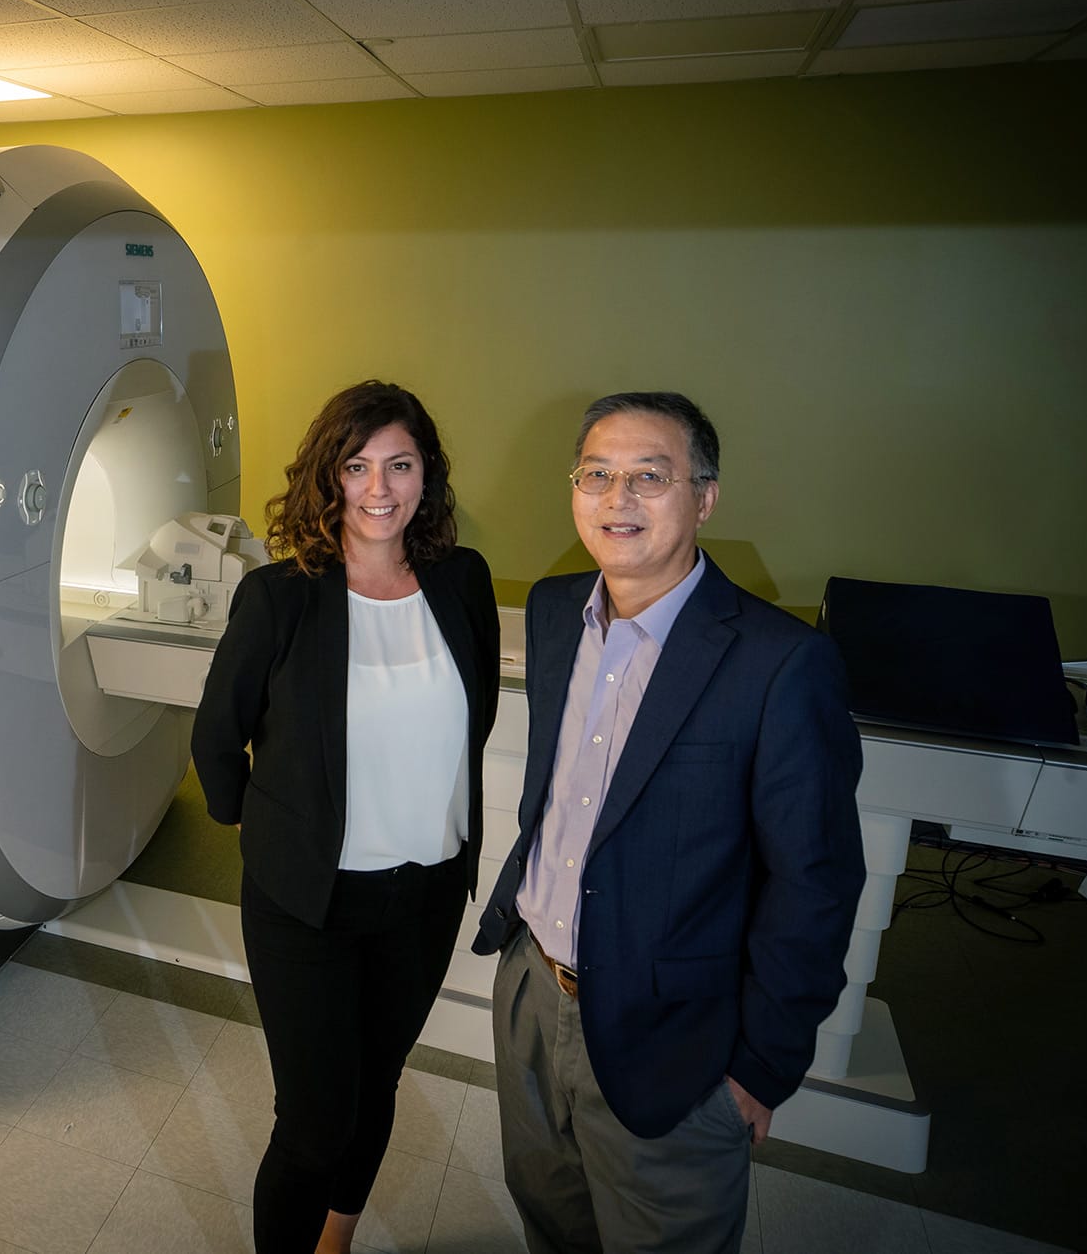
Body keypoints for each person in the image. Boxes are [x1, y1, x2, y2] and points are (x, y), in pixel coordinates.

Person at [473, 391, 865, 1253]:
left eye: (650, 477)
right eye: (597, 475)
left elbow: (817, 883)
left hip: (676, 1039)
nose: (618, 500)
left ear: (705, 498)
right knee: (552, 1220)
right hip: (535, 993)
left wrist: (759, 1069)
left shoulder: (780, 663)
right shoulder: (552, 611)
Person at [192, 380, 500, 1254]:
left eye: (399, 465)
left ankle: (338, 1242)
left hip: (428, 895)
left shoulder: (461, 580)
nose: (378, 487)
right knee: (315, 1123)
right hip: (308, 906)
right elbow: (218, 735)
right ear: (327, 477)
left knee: (378, 1083)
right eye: (356, 465)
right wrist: (259, 824)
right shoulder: (282, 596)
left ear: (425, 478)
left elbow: (474, 716)